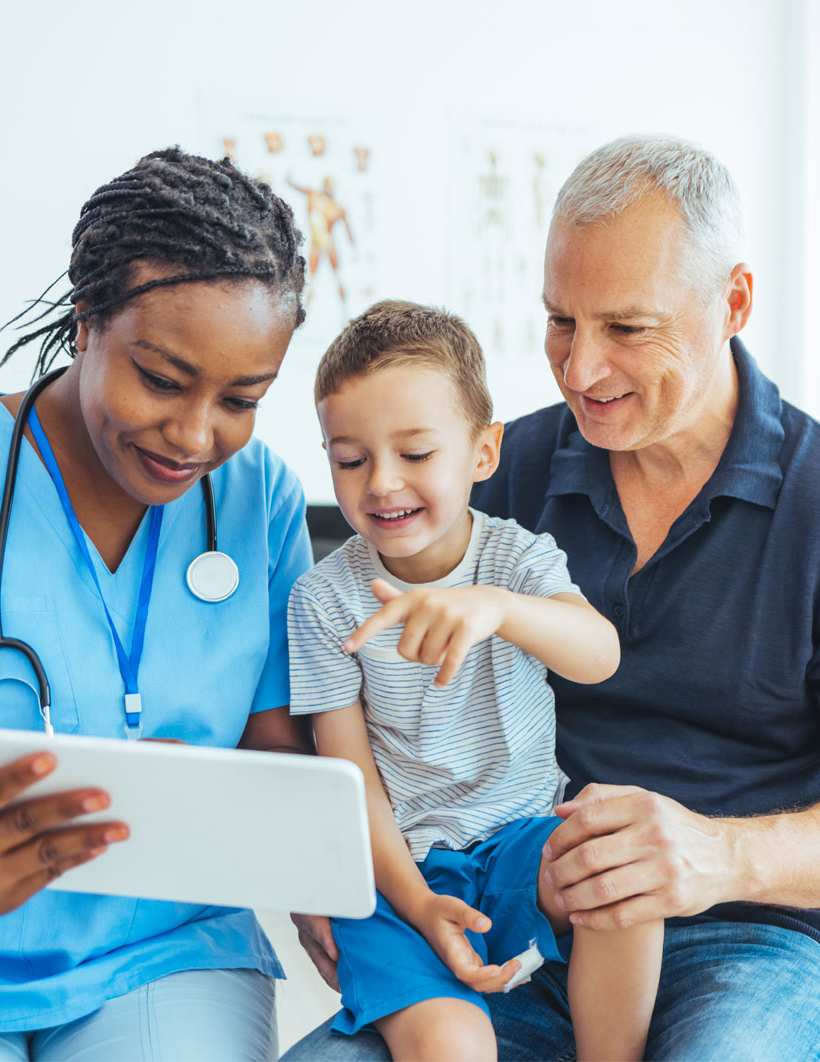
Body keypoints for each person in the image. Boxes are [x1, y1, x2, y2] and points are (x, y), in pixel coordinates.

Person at [285, 135, 820, 1061]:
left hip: (756, 938)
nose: (579, 369)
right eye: (560, 320)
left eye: (626, 328)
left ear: (734, 303)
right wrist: (339, 872)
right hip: (517, 906)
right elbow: (355, 701)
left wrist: (717, 855)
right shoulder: (501, 473)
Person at [0, 148, 313, 1060]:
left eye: (241, 399)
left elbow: (284, 760)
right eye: (160, 379)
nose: (196, 435)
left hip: (165, 948)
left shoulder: (257, 498)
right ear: (87, 324)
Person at [286, 300, 662, 1061]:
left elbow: (598, 653)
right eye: (350, 459)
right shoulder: (322, 600)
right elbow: (350, 780)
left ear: (482, 453)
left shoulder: (517, 560)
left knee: (625, 868)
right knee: (451, 1043)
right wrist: (420, 903)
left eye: (416, 454)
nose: (382, 484)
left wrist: (496, 609)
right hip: (399, 875)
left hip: (522, 842)